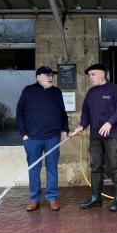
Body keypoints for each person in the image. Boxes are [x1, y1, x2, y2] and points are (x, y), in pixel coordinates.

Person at [74, 63, 117, 211]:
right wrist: (81, 126)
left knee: (115, 166)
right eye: (89, 75)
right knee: (96, 166)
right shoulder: (90, 93)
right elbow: (85, 113)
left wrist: (109, 123)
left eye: (93, 74)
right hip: (95, 137)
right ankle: (96, 198)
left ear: (102, 74)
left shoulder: (114, 89)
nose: (90, 77)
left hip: (112, 136)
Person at [16, 66, 69, 211]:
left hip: (52, 137)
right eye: (47, 75)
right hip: (32, 138)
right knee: (34, 169)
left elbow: (63, 113)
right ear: (38, 77)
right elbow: (19, 113)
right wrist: (23, 134)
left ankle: (52, 198)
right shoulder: (28, 91)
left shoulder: (56, 92)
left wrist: (65, 129)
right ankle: (34, 199)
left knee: (52, 168)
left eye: (52, 75)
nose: (51, 77)